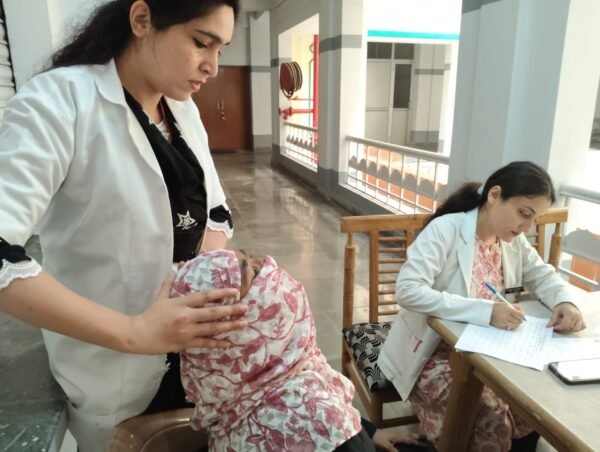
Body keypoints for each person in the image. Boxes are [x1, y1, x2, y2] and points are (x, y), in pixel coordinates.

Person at [0, 1, 249, 450]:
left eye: (221, 50)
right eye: (200, 43)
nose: (212, 67)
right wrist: (135, 332)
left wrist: (203, 275)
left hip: (195, 364)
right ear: (141, 20)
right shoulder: (60, 102)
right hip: (115, 373)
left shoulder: (182, 110)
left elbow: (216, 210)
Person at [377, 161, 586, 451]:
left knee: (533, 409)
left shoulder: (511, 241)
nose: (526, 226)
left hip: (492, 352)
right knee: (492, 416)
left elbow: (542, 275)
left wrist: (564, 301)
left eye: (534, 219)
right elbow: (408, 290)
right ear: (494, 195)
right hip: (435, 355)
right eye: (524, 214)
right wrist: (486, 311)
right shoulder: (446, 230)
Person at [173, 249, 435, 452]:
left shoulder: (224, 395)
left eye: (249, 257)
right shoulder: (317, 418)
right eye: (252, 272)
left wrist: (365, 430)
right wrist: (350, 432)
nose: (266, 263)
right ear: (245, 329)